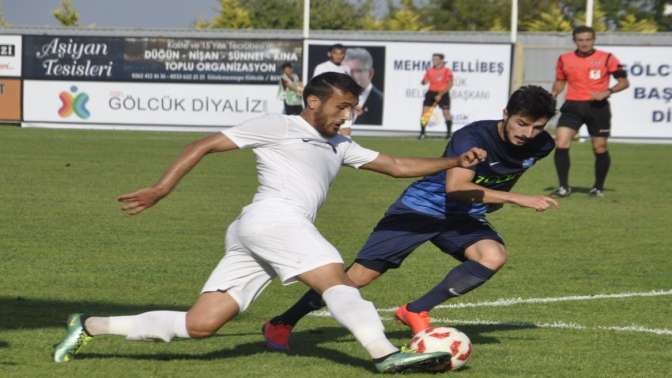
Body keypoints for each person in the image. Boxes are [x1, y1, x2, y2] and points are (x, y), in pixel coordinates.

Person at [53, 73, 487, 373]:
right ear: (313, 101)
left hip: (253, 232)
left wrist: (454, 159)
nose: (345, 117)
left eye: (351, 109)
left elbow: (393, 164)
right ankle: (384, 354)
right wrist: (162, 187)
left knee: (200, 324)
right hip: (273, 219)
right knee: (337, 280)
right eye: (340, 107)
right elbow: (202, 143)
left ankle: (89, 325)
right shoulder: (277, 125)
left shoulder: (339, 143)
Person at [262, 86, 559, 350]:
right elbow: (456, 187)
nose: (527, 134)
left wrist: (496, 199)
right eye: (521, 124)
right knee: (355, 279)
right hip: (420, 209)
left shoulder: (542, 145)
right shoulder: (472, 137)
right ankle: (283, 322)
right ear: (505, 114)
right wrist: (516, 198)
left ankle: (415, 310)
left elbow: (504, 174)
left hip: (463, 216)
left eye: (537, 127)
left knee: (492, 255)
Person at [551, 25, 629, 198]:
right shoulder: (564, 59)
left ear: (593, 40)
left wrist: (608, 92)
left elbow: (624, 82)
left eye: (588, 39)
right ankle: (564, 187)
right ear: (574, 41)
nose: (584, 43)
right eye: (580, 40)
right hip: (572, 106)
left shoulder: (607, 58)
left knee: (599, 148)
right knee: (561, 143)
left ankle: (598, 187)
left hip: (597, 108)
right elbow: (560, 81)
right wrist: (554, 92)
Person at [312, 44, 354, 136]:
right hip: (328, 106)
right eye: (336, 53)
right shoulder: (322, 67)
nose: (339, 56)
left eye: (341, 53)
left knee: (346, 131)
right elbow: (315, 86)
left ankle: (344, 150)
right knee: (326, 134)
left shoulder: (346, 69)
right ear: (329, 54)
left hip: (344, 106)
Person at [344, 47, 384, 126]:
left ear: (370, 73)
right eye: (346, 71)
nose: (349, 76)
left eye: (357, 71)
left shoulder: (382, 102)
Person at [419, 53, 453, 140]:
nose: (434, 61)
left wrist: (440, 94)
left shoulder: (447, 71)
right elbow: (425, 81)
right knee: (425, 113)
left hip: (443, 93)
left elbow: (450, 84)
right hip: (431, 93)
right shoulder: (429, 70)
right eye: (433, 59)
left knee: (446, 113)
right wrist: (424, 82)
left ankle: (449, 134)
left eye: (436, 59)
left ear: (441, 60)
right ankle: (422, 133)